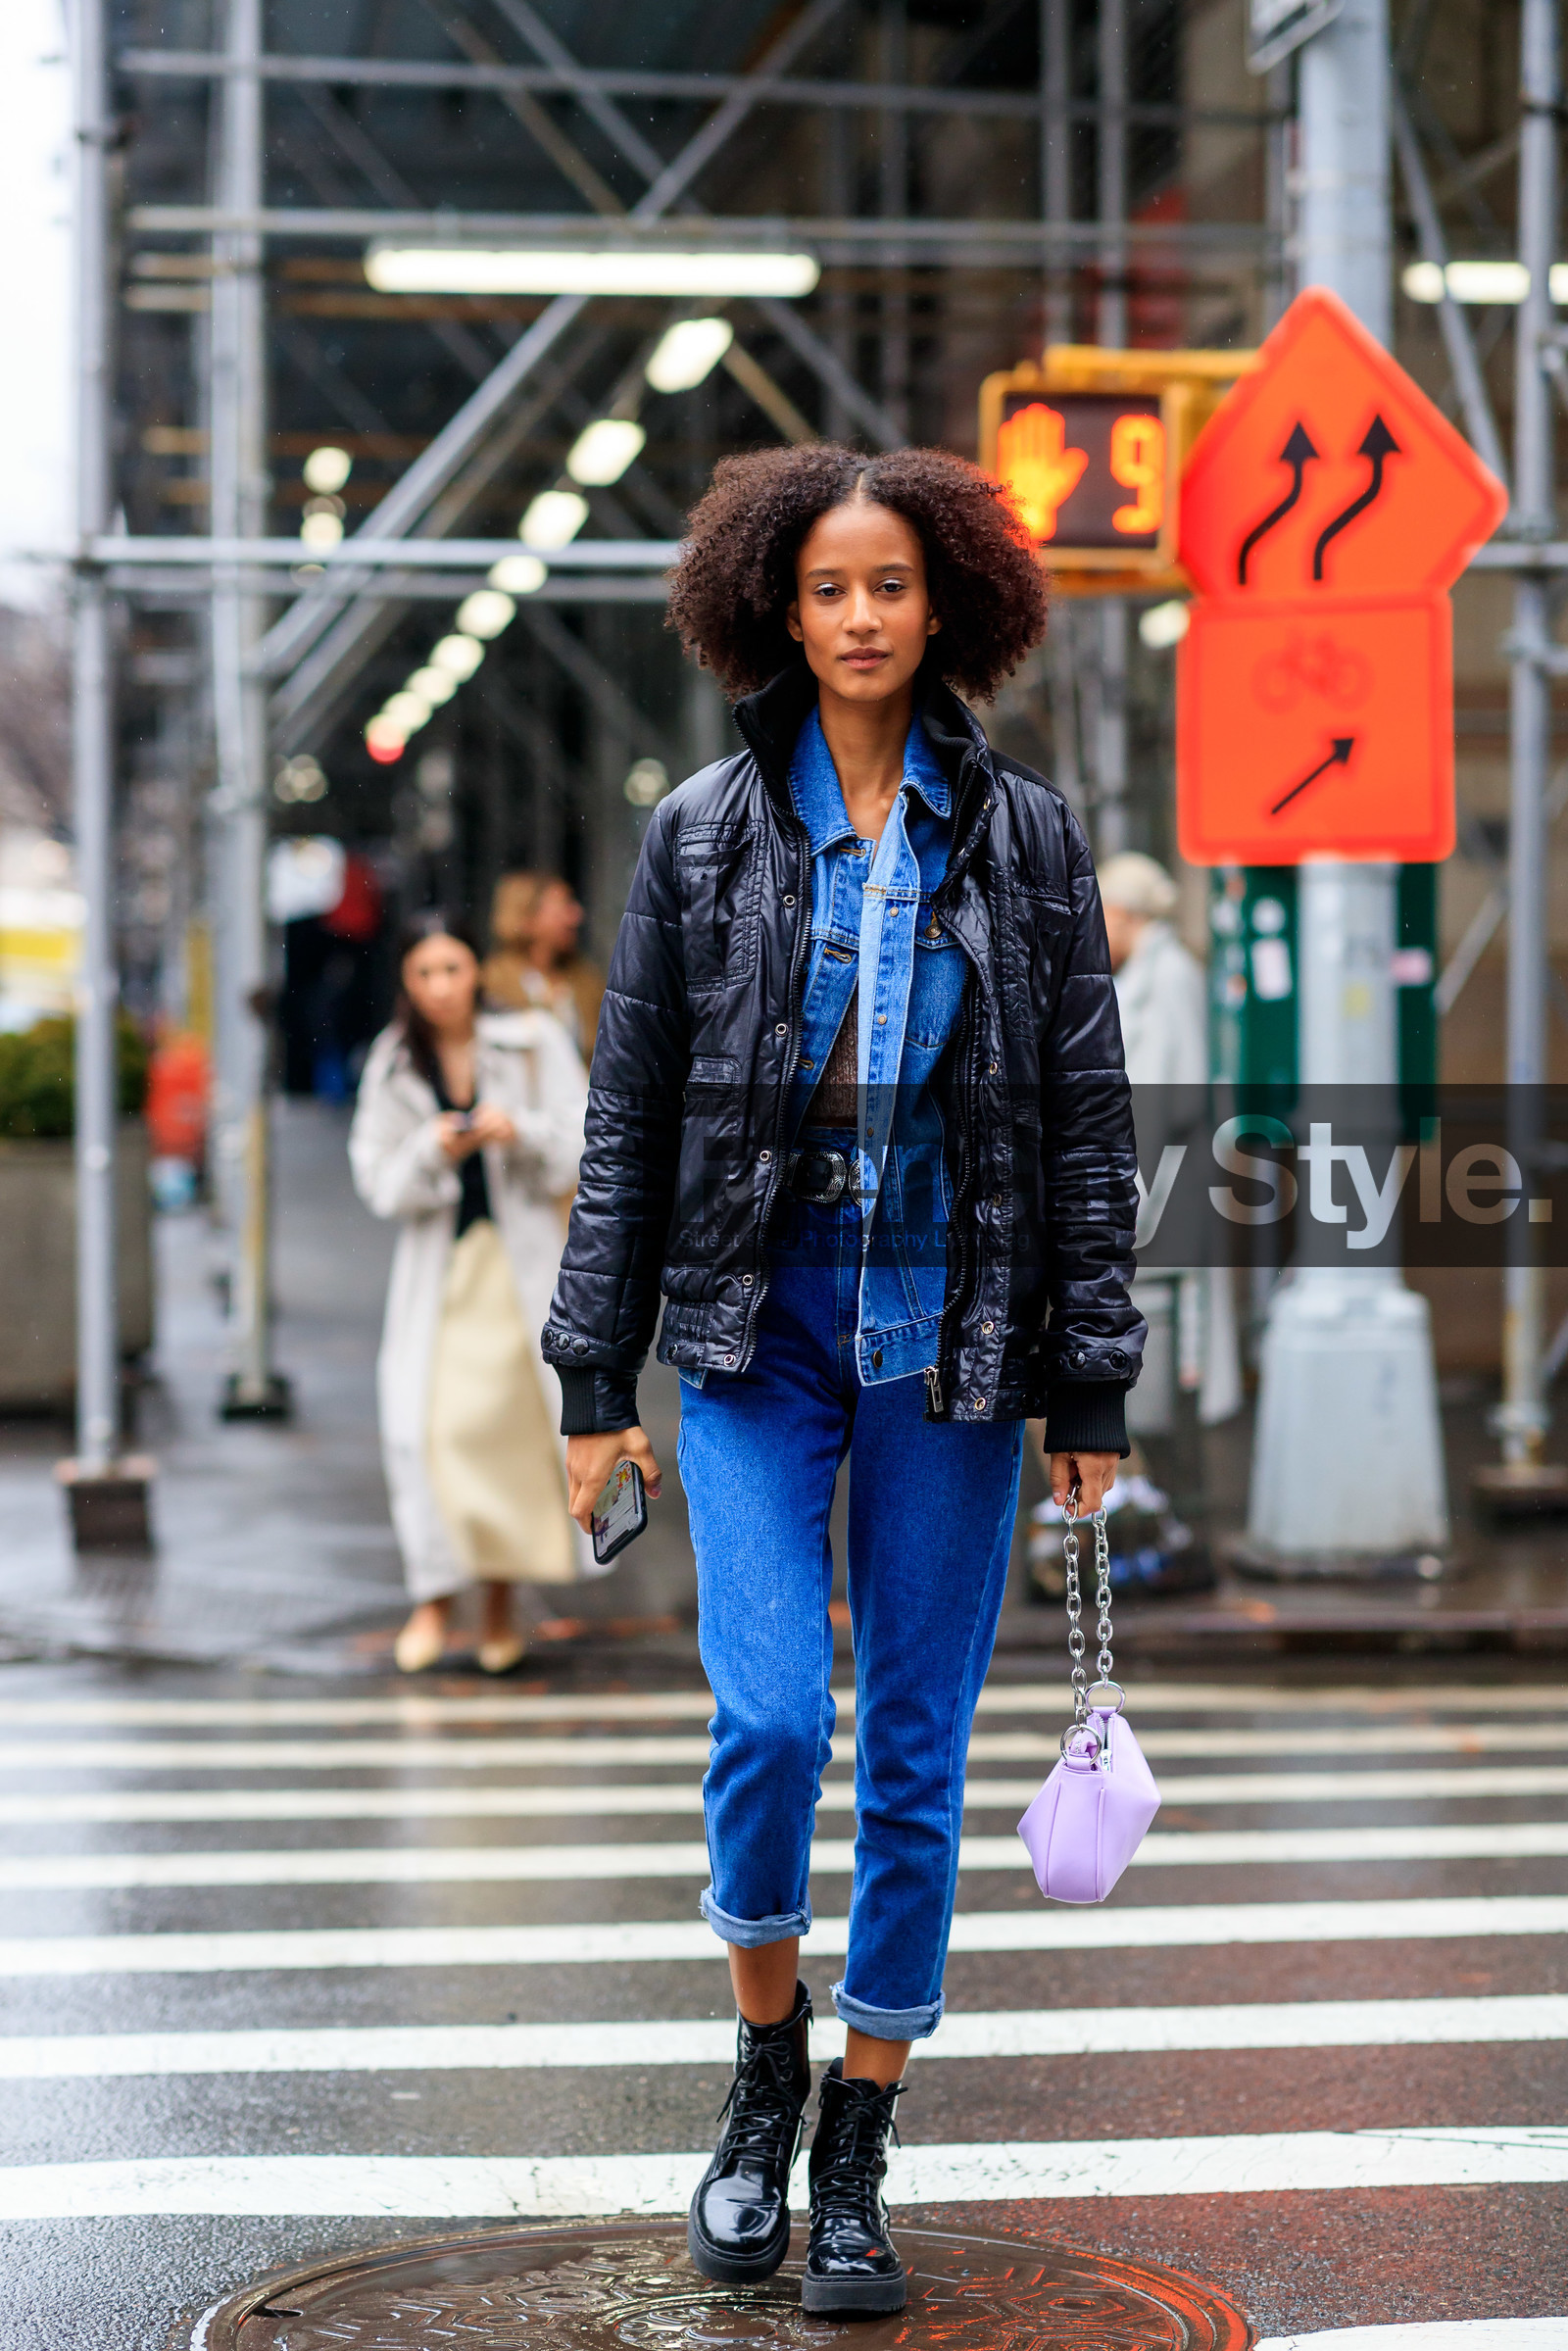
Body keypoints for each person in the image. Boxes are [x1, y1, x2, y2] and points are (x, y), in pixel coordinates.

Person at [542, 445, 1144, 2315]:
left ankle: (862, 2135)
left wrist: (1091, 1389)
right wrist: (591, 1375)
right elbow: (631, 1111)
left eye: (892, 584)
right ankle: (761, 2068)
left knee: (913, 1758)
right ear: (774, 609)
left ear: (946, 599)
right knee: (773, 1716)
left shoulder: (1029, 841)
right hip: (753, 1328)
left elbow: (1088, 1123)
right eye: (829, 588)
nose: (864, 616)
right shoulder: (702, 836)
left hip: (952, 1344)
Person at [350, 911, 598, 1676]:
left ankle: (498, 1600)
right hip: (442, 1276)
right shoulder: (393, 1063)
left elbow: (586, 1138)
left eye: (453, 969)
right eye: (425, 973)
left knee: (515, 1438)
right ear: (406, 981)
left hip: (518, 1269)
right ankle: (435, 1597)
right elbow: (379, 1182)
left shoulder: (531, 1041)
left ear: (475, 971)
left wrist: (513, 1131)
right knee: (434, 1435)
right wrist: (434, 1147)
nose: (441, 988)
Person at [1099, 850, 1240, 1440]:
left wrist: (1131, 1195)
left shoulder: (1169, 975)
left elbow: (1165, 1097)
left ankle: (1163, 1492)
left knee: (1164, 1327)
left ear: (1127, 915)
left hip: (1165, 1179)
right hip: (1155, 1173)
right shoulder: (1146, 975)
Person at [484, 870, 605, 1058]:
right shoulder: (492, 982)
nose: (576, 916)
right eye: (564, 907)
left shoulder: (586, 980)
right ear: (526, 917)